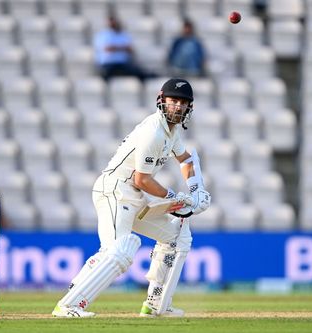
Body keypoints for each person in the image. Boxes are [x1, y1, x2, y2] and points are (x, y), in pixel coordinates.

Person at [52, 78, 212, 318]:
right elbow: (142, 180)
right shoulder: (153, 132)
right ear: (162, 101)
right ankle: (67, 305)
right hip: (115, 191)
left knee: (176, 237)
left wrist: (197, 190)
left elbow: (187, 161)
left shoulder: (172, 132)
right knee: (118, 251)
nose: (178, 107)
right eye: (173, 101)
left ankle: (156, 304)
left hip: (133, 197)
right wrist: (174, 198)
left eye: (183, 102)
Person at [94, 15, 154, 81]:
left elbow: (130, 49)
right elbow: (107, 49)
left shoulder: (124, 34)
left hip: (123, 63)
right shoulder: (102, 35)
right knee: (104, 75)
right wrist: (123, 48)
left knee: (138, 72)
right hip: (108, 64)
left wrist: (116, 48)